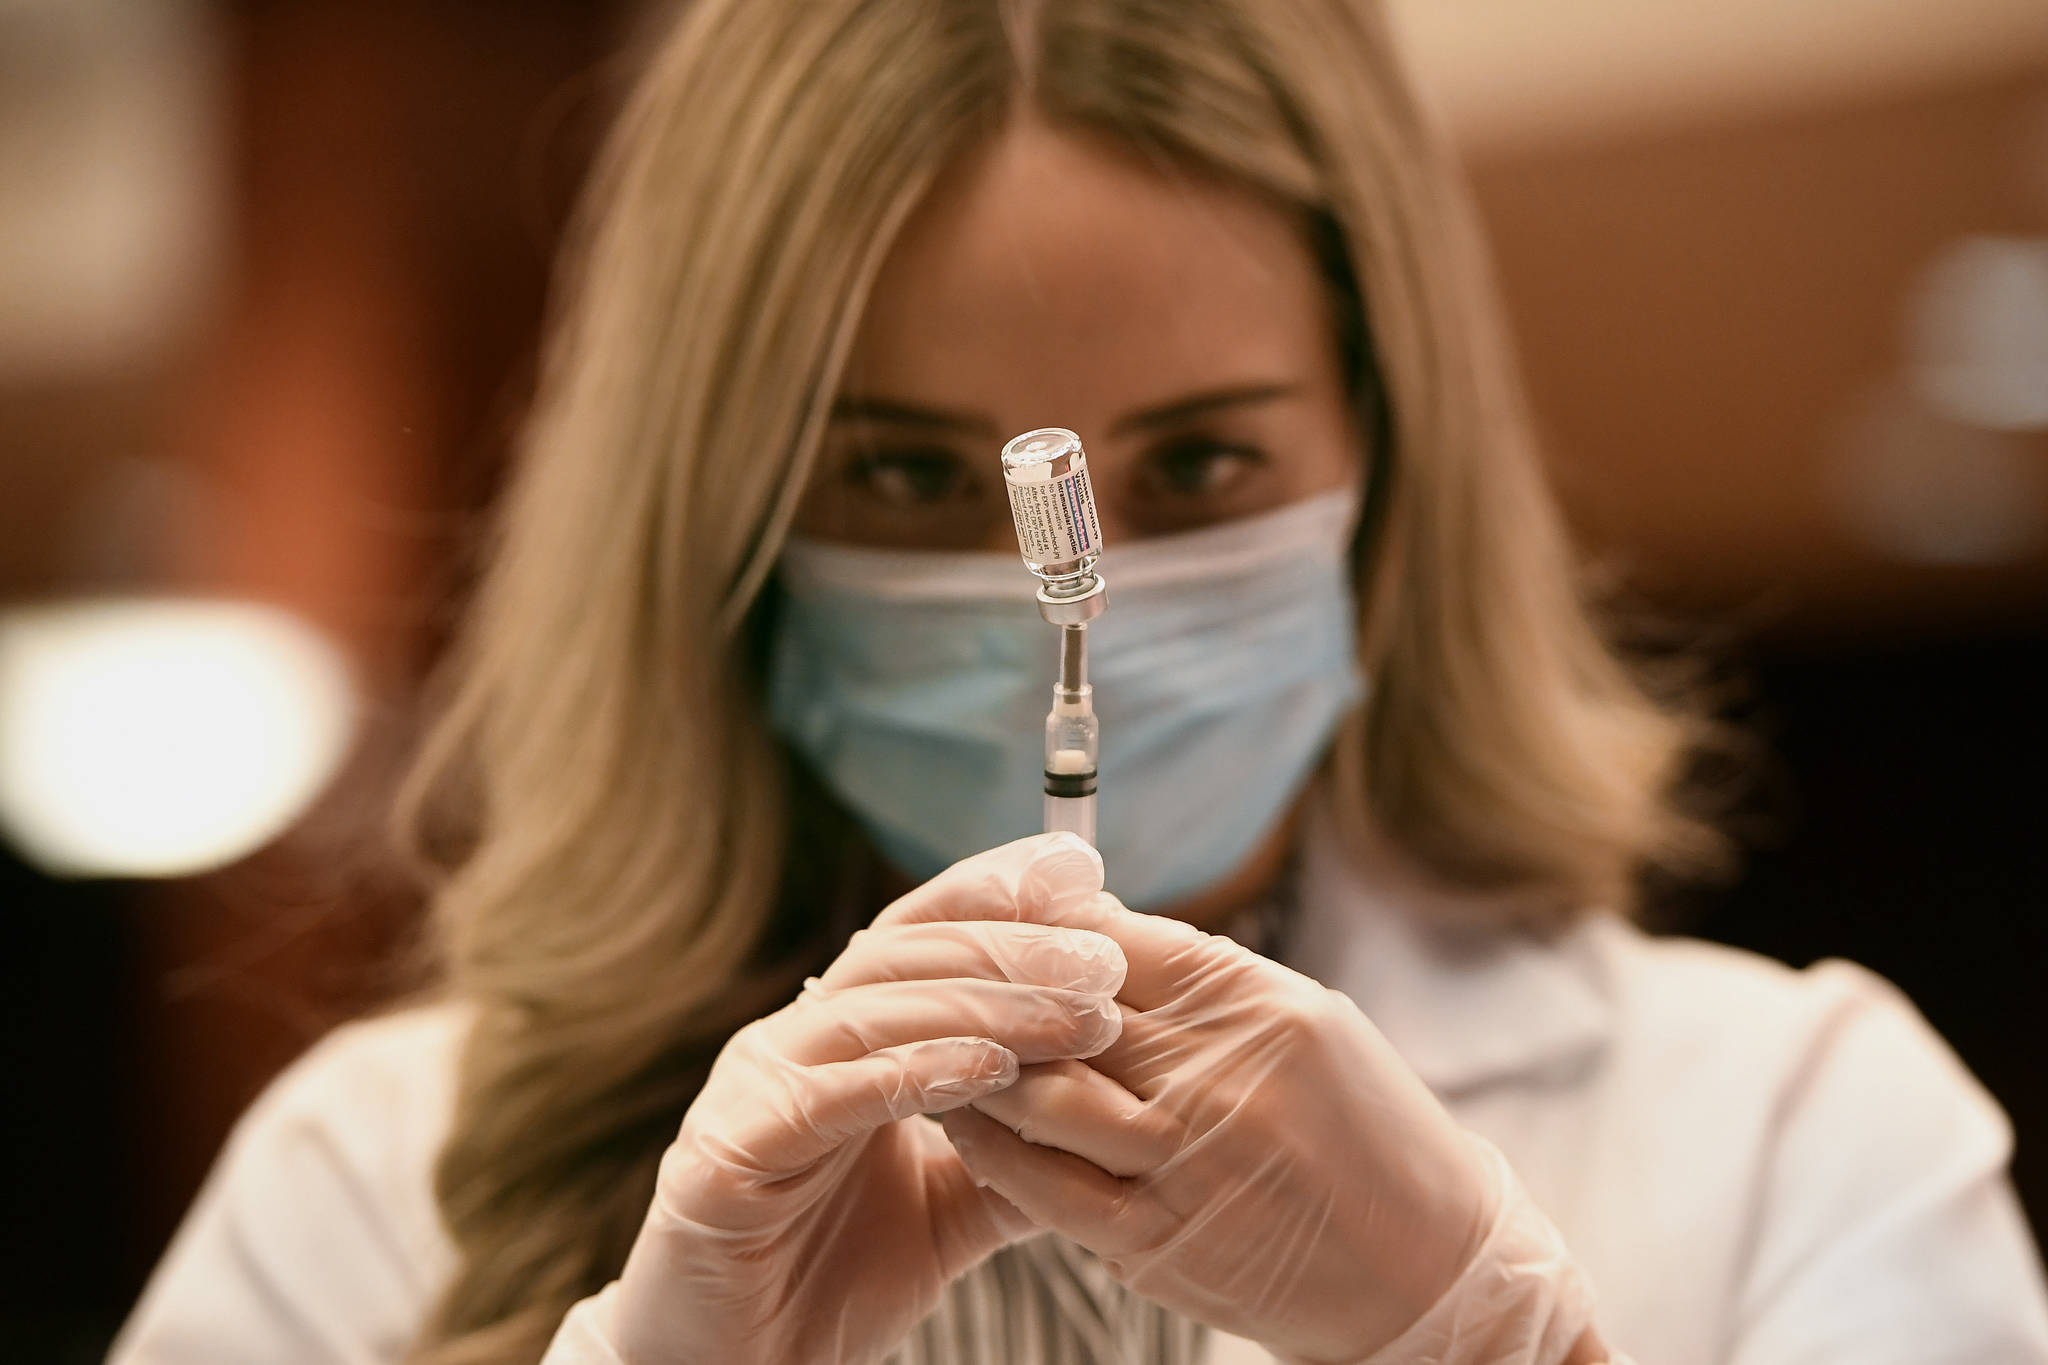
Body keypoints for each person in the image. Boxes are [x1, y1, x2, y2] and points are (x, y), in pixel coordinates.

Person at [110, 1, 2048, 1363]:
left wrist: (1479, 1344)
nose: (1070, 595)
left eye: (1203, 464)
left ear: (1387, 471)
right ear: (726, 525)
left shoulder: (1799, 1130)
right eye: (896, 472)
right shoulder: (371, 1179)